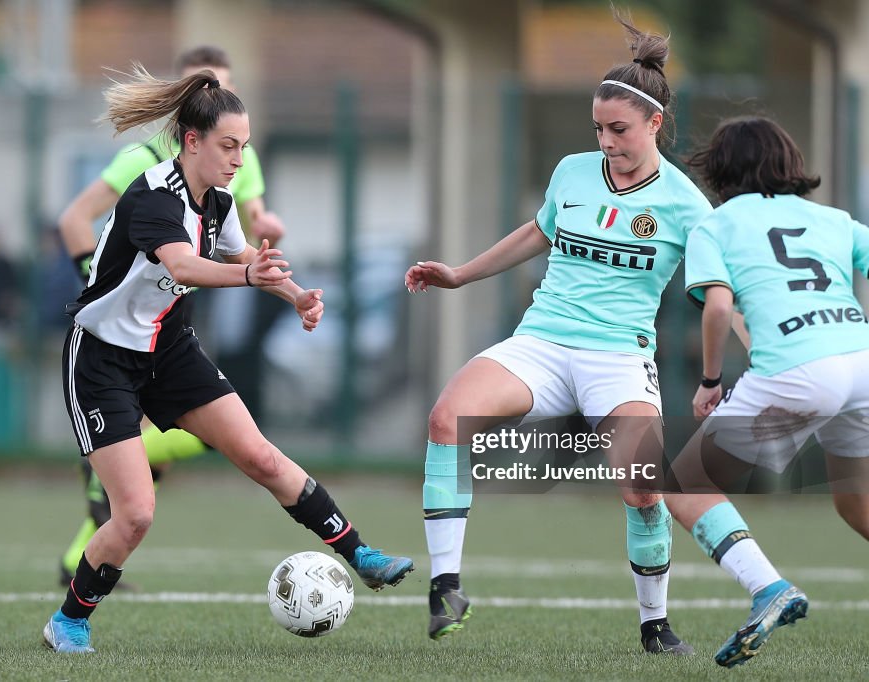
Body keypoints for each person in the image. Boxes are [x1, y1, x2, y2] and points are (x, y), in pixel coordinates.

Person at [42, 66, 414, 654]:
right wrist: (247, 275)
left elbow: (243, 252)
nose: (239, 159)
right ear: (192, 141)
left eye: (244, 146)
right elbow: (184, 267)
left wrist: (296, 297)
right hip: (102, 359)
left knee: (261, 455)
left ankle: (358, 553)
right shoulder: (153, 196)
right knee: (135, 513)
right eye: (228, 146)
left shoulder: (216, 197)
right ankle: (69, 620)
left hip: (169, 350)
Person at [406, 11, 708, 652]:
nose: (605, 141)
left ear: (655, 123)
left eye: (619, 129)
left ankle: (654, 624)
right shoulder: (572, 171)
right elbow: (536, 234)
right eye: (598, 127)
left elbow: (720, 287)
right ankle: (445, 587)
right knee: (446, 419)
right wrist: (460, 275)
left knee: (642, 486)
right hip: (542, 342)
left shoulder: (685, 203)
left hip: (620, 356)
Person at [55, 45, 286, 589]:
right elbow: (74, 220)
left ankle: (85, 534)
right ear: (189, 122)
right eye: (206, 91)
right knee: (136, 484)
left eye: (226, 89)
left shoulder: (237, 160)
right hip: (116, 336)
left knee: (191, 449)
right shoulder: (146, 165)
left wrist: (268, 232)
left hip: (173, 330)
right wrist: (106, 281)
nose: (217, 99)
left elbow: (247, 228)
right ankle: (84, 538)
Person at [664, 115, 869, 667]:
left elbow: (720, 306)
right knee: (857, 502)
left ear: (722, 170)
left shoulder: (718, 224)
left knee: (683, 485)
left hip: (798, 373)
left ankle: (767, 588)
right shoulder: (834, 218)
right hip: (861, 363)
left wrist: (710, 381)